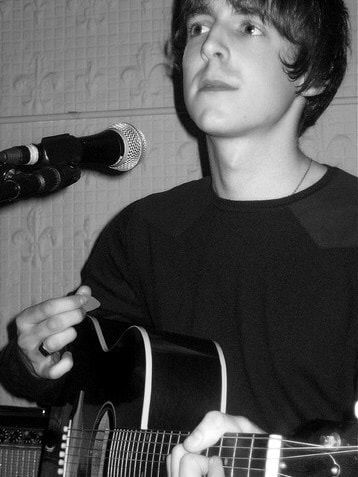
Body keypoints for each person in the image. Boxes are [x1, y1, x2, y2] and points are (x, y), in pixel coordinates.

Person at [0, 0, 357, 475]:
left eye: (248, 26)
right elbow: (84, 387)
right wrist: (34, 359)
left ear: (314, 72)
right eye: (197, 26)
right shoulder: (145, 228)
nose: (209, 44)